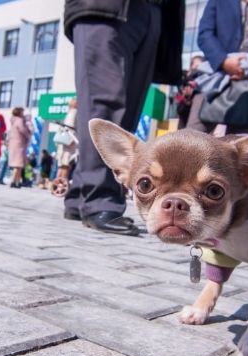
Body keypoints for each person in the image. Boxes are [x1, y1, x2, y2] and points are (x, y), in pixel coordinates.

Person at [63, 0, 184, 236]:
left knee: (128, 112)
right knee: (103, 105)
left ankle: (80, 194)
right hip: (105, 7)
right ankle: (100, 199)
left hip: (153, 11)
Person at [187, 0, 248, 134]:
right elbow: (205, 35)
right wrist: (224, 61)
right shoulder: (218, 3)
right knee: (194, 136)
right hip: (214, 79)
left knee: (242, 142)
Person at [175, 55, 205, 129]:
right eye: (196, 67)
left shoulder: (204, 85)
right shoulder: (184, 83)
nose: (198, 71)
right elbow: (179, 110)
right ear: (191, 68)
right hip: (184, 125)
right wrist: (186, 98)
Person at [8, 107, 32, 188]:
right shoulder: (19, 120)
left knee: (18, 165)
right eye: (22, 112)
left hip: (14, 143)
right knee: (18, 165)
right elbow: (23, 130)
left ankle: (17, 182)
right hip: (19, 144)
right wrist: (29, 134)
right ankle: (13, 181)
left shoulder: (13, 120)